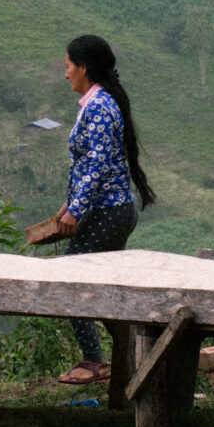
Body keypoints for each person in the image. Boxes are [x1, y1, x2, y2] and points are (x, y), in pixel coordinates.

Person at [54, 32, 156, 385]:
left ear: (83, 67)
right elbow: (94, 165)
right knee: (104, 286)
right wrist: (72, 202)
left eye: (68, 66)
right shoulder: (100, 103)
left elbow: (96, 165)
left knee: (69, 277)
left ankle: (94, 361)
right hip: (113, 209)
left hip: (106, 212)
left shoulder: (98, 107)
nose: (65, 73)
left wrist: (76, 212)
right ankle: (134, 356)